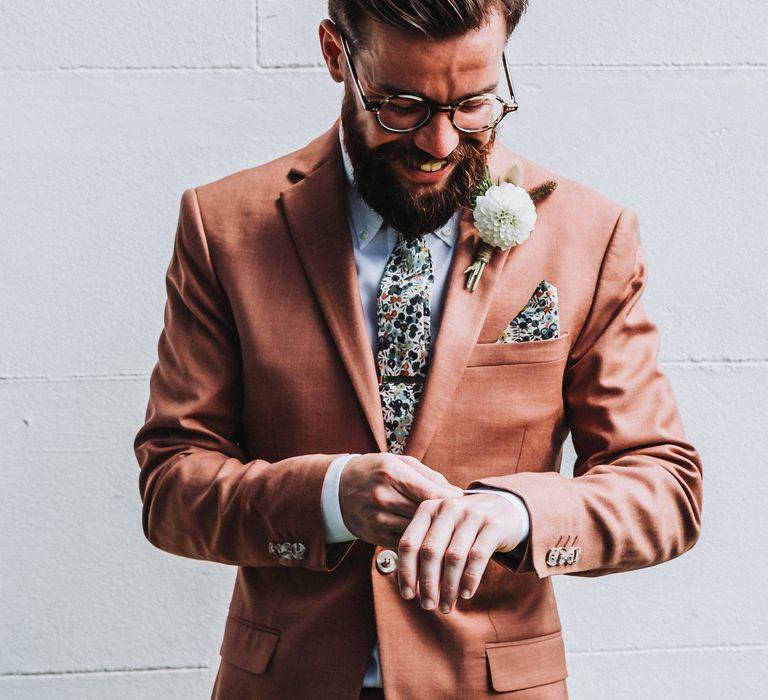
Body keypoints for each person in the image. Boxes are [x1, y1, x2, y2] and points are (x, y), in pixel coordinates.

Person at [134, 1, 703, 698]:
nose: (439, 143)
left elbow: (664, 489)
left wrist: (518, 515)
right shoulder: (222, 227)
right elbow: (170, 486)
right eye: (401, 106)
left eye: (473, 105)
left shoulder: (591, 233)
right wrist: (328, 498)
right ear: (336, 54)